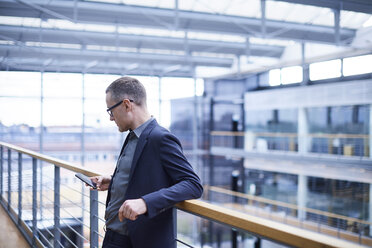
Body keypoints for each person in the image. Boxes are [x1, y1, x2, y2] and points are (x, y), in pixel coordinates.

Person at [90, 76, 203, 248]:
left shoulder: (161, 138)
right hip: (113, 235)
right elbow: (143, 173)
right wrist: (113, 180)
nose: (111, 118)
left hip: (135, 241)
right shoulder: (132, 135)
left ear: (127, 104)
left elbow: (193, 184)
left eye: (111, 111)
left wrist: (145, 203)